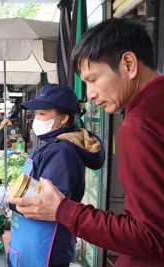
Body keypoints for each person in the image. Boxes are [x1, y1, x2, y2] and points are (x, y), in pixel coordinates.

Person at [9, 18, 164, 267]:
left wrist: (64, 210)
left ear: (128, 64)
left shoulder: (140, 124)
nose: (90, 94)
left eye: (93, 79)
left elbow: (151, 237)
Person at [8, 84, 105, 267]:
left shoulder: (62, 151)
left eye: (42, 114)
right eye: (36, 114)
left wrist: (8, 200)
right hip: (34, 242)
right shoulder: (54, 145)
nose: (36, 119)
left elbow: (42, 204)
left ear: (64, 118)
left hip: (45, 247)